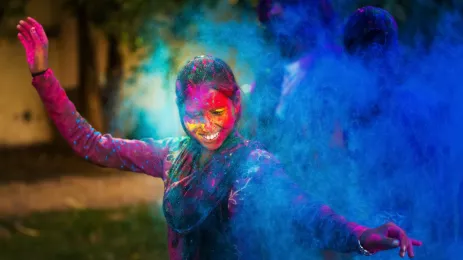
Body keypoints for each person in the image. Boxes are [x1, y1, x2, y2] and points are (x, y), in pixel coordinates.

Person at [17, 17, 422, 259]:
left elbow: (311, 215)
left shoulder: (254, 166)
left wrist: (365, 234)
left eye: (216, 111)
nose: (206, 125)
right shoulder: (170, 155)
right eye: (193, 115)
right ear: (179, 112)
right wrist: (42, 76)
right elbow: (91, 144)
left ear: (236, 107)